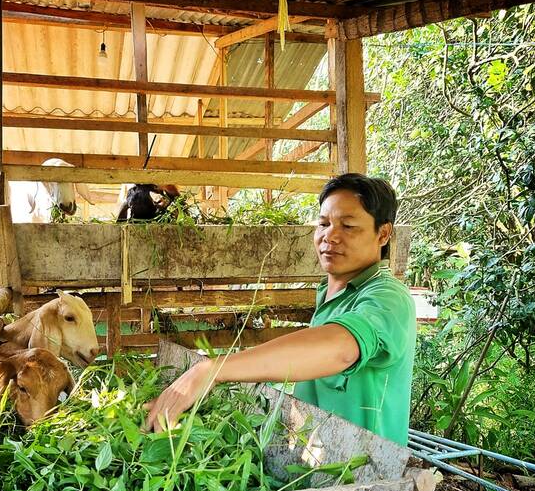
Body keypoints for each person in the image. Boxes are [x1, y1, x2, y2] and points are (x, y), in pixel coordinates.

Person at [145, 174, 416, 445]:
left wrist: (211, 370)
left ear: (383, 233)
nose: (329, 236)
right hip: (320, 462)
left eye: (348, 226)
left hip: (367, 474)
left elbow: (342, 349)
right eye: (323, 223)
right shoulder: (331, 293)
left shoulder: (388, 297)